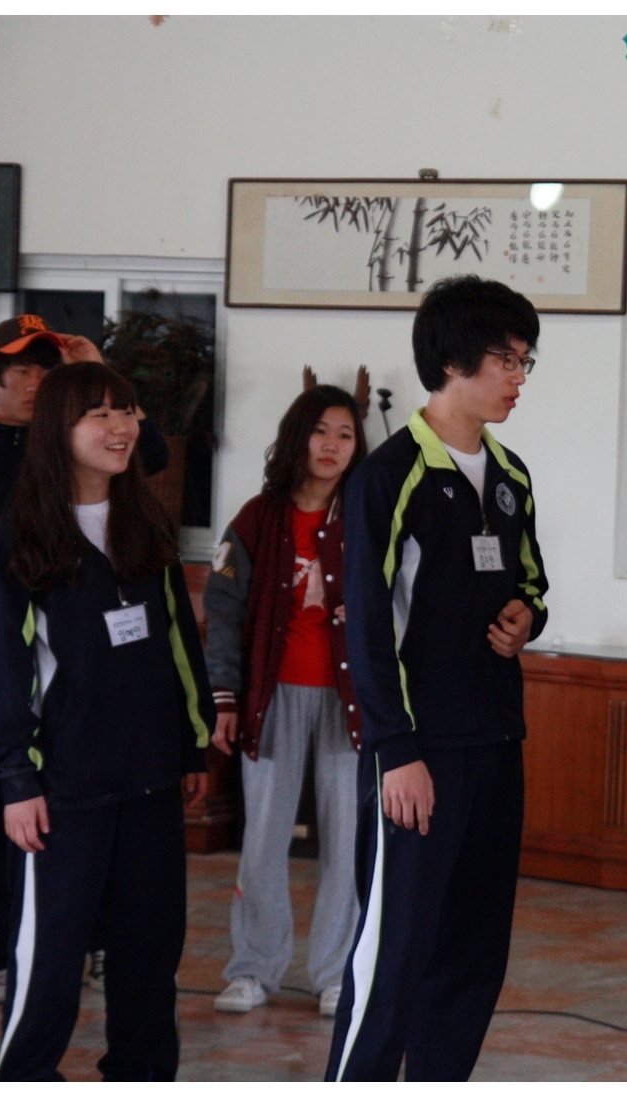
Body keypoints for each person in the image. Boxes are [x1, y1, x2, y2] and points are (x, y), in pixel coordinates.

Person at [327, 275, 549, 1082]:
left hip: (496, 743)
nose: (518, 378)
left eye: (525, 362)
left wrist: (527, 617)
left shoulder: (511, 475)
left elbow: (532, 582)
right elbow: (365, 625)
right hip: (419, 754)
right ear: (452, 362)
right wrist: (396, 749)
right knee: (394, 955)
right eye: (505, 360)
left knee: (474, 954)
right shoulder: (391, 476)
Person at [0, 362, 214, 1081]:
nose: (121, 427)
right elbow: (6, 670)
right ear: (60, 428)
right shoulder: (22, 535)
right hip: (65, 790)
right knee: (50, 965)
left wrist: (193, 743)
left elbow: (178, 642)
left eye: (127, 410)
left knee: (149, 960)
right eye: (100, 414)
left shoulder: (144, 521)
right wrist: (18, 779)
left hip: (148, 781)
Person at [0, 314, 167, 1005]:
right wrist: (36, 539)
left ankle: (87, 939)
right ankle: (1, 953)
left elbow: (149, 456)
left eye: (48, 370)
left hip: (83, 653)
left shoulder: (86, 446)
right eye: (23, 370)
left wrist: (100, 371)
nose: (35, 383)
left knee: (83, 802)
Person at [205, 384, 366, 1019]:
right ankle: (252, 970)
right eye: (320, 431)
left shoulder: (368, 518)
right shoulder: (258, 518)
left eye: (345, 434)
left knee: (348, 842)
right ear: (297, 438)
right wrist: (225, 699)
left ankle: (337, 975)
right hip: (272, 699)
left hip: (350, 705)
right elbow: (223, 612)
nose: (331, 445)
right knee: (264, 839)